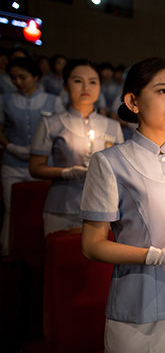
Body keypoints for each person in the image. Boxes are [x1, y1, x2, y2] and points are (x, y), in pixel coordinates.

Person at [80, 57, 165, 353]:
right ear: (133, 101)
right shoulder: (110, 162)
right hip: (141, 298)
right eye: (162, 91)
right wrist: (155, 256)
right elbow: (92, 245)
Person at [29, 59, 123, 236]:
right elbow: (35, 168)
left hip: (103, 208)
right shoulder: (51, 123)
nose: (86, 87)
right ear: (65, 85)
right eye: (78, 81)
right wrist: (66, 172)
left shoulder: (112, 126)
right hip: (62, 206)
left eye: (93, 82)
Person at [0, 58, 64, 255]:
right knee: (12, 209)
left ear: (35, 76)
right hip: (13, 162)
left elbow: (61, 131)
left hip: (44, 164)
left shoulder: (53, 100)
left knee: (41, 210)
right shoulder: (5, 99)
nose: (18, 82)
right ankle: (10, 251)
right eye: (13, 78)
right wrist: (10, 146)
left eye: (23, 77)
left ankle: (40, 251)